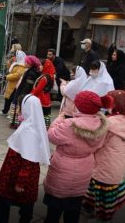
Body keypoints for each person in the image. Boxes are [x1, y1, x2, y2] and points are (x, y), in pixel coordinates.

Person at [43, 90, 111, 223]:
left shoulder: (70, 125)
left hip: (63, 170)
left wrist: (59, 120)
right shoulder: (101, 124)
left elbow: (51, 135)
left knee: (54, 212)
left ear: (78, 106)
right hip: (85, 167)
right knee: (74, 210)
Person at [0, 94, 51, 223]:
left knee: (7, 204)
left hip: (16, 175)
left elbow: (28, 160)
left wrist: (20, 182)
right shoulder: (32, 125)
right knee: (26, 205)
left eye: (21, 107)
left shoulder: (29, 130)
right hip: (22, 174)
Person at [83, 90, 125, 222]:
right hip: (117, 169)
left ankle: (97, 215)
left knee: (99, 195)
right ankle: (106, 215)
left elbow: (96, 144)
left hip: (103, 168)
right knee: (109, 199)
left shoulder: (108, 123)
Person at [10, 55, 41, 128]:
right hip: (22, 92)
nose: (24, 63)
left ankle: (17, 124)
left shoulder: (31, 73)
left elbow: (28, 86)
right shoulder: (31, 71)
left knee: (19, 108)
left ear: (30, 63)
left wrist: (22, 96)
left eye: (26, 62)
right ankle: (15, 123)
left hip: (22, 93)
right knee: (17, 108)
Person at [0, 50, 26, 117]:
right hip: (10, 83)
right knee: (7, 98)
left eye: (15, 56)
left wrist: (7, 77)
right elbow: (9, 67)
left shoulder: (21, 66)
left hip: (16, 85)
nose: (13, 57)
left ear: (19, 57)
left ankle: (12, 114)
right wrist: (10, 60)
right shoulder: (15, 63)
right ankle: (4, 111)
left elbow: (17, 75)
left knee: (13, 100)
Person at [31, 59, 56, 128]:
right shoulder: (51, 76)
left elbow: (38, 89)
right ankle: (45, 127)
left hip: (40, 98)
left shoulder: (44, 77)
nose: (40, 66)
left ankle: (39, 127)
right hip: (47, 99)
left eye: (41, 65)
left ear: (45, 66)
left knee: (39, 115)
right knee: (46, 115)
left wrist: (31, 95)